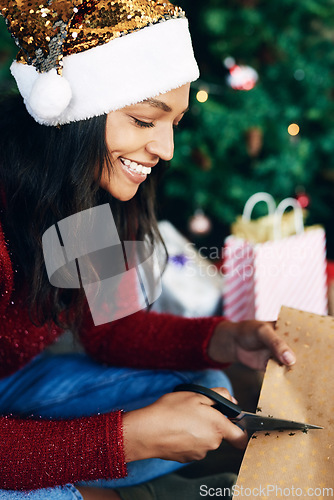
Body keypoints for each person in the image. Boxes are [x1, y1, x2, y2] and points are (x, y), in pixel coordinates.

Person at [0, 1, 296, 499]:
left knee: (202, 387)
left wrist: (224, 337)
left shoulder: (80, 194)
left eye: (174, 122)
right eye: (143, 121)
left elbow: (111, 330)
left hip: (15, 384)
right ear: (72, 116)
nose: (167, 149)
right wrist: (129, 438)